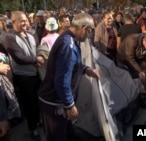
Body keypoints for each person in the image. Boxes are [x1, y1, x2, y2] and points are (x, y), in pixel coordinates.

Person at [37, 13, 99, 141]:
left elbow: (71, 64)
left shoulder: (69, 38)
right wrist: (70, 105)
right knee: (57, 137)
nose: (90, 34)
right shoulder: (68, 45)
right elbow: (61, 81)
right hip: (54, 103)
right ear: (84, 28)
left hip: (58, 101)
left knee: (68, 134)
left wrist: (86, 69)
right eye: (90, 30)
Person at [2, 11, 43, 140]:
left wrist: (40, 57)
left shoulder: (31, 34)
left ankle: (39, 121)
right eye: (22, 21)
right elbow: (19, 58)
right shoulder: (9, 38)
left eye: (26, 20)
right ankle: (33, 129)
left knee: (39, 101)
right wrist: (36, 59)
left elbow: (37, 48)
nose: (25, 23)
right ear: (13, 22)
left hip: (36, 73)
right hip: (24, 78)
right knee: (29, 104)